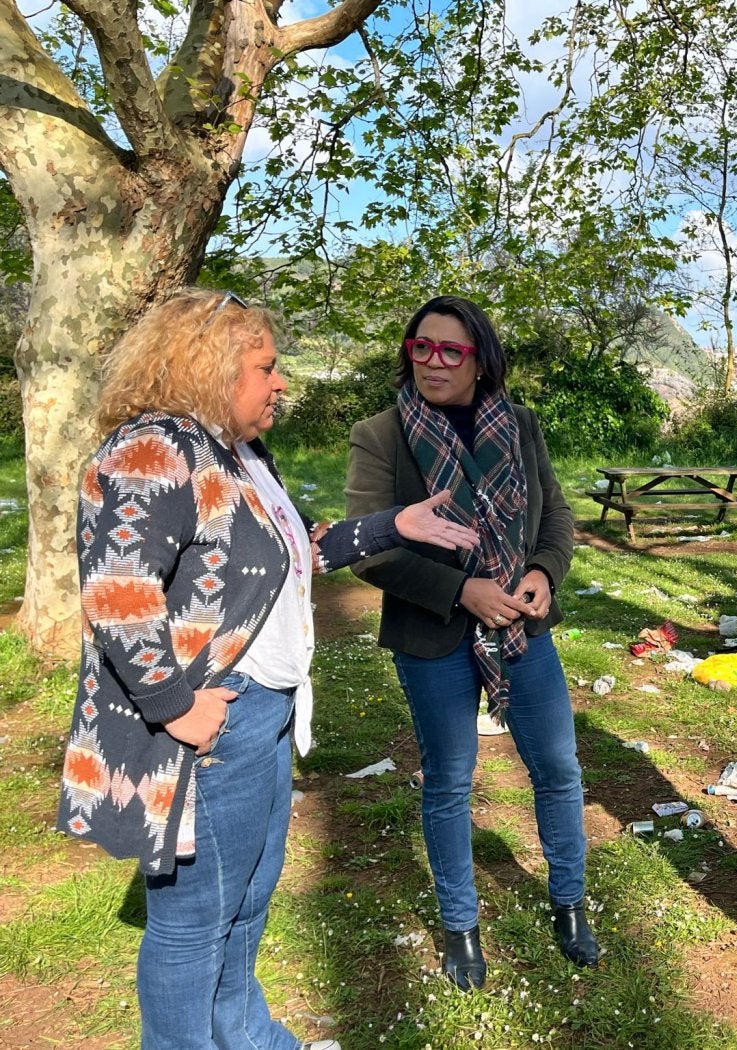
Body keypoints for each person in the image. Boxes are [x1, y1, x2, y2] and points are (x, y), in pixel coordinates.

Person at [56, 288, 480, 1050]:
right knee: (192, 925)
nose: (280, 382)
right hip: (214, 720)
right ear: (211, 368)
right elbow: (116, 591)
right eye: (267, 367)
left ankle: (247, 1035)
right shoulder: (154, 448)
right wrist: (176, 706)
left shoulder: (236, 453)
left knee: (247, 899)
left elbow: (288, 553)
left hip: (261, 715)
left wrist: (393, 525)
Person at [345, 294, 594, 991]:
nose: (432, 362)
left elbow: (557, 517)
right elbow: (372, 549)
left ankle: (570, 904)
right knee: (450, 782)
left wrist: (543, 572)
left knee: (558, 768)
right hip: (432, 634)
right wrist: (461, 592)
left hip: (522, 624)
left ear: (480, 362)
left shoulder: (520, 426)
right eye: (420, 347)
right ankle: (461, 925)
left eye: (450, 351)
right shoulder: (380, 435)